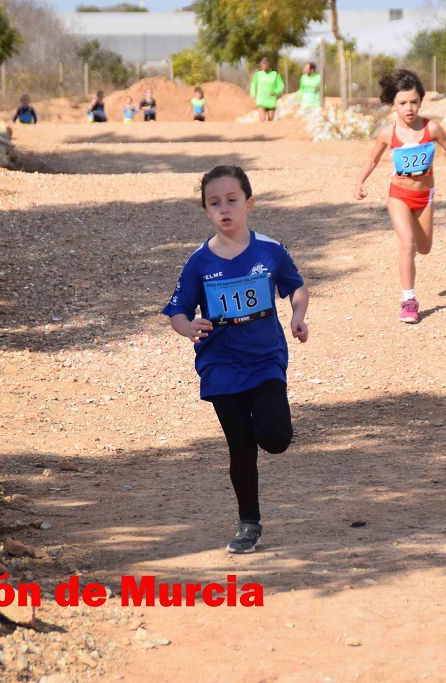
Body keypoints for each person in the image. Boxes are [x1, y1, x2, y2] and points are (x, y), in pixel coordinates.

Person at [162, 166, 309, 554]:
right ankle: (248, 522)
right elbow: (178, 308)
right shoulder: (199, 262)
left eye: (232, 200)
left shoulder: (270, 250)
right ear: (206, 210)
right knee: (240, 447)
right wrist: (187, 327)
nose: (224, 209)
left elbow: (296, 287)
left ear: (249, 203)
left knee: (276, 439)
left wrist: (297, 315)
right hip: (220, 366)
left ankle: (271, 421)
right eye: (215, 203)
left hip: (265, 359)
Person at [353, 69, 446, 324]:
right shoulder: (387, 133)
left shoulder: (431, 128)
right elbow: (372, 159)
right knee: (408, 244)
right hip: (399, 195)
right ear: (393, 104)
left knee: (424, 248)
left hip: (425, 197)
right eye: (402, 103)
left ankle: (413, 234)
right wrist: (359, 180)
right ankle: (408, 300)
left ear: (421, 102)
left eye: (414, 102)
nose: (409, 108)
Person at [249, 57, 284, 122]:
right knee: (262, 120)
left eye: (266, 63)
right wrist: (253, 94)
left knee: (270, 120)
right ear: (261, 65)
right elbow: (253, 84)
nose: (264, 65)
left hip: (271, 100)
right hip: (261, 100)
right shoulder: (258, 74)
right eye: (262, 64)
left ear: (269, 64)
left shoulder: (275, 74)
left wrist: (275, 91)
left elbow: (281, 86)